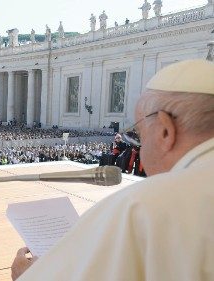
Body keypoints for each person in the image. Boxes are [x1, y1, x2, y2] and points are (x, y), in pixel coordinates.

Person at [11, 59, 214, 280]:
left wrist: (27, 276)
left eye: (141, 136)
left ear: (166, 131)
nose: (140, 148)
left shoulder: (142, 207)